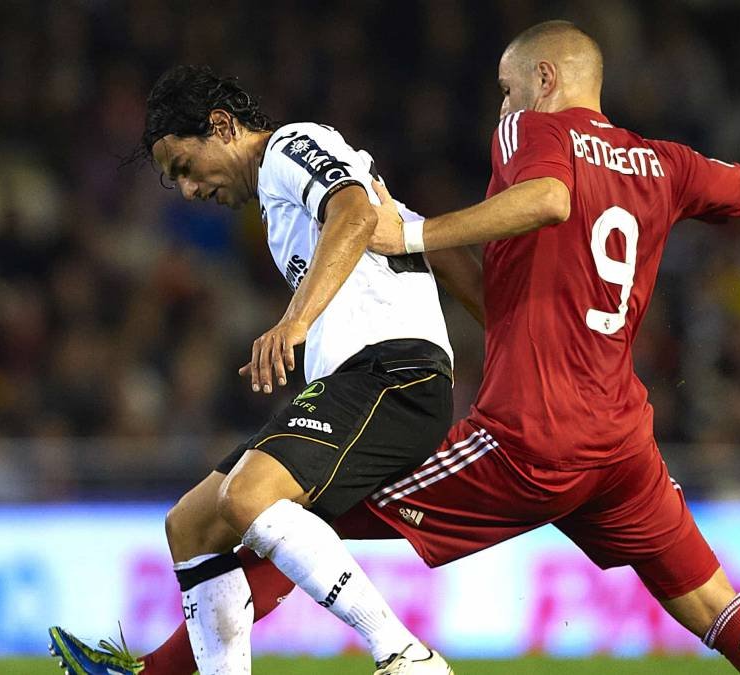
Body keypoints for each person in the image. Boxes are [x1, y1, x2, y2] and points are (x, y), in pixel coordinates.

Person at [55, 21, 740, 675]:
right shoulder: (663, 160)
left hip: (529, 437)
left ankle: (363, 661)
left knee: (282, 508)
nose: (501, 103)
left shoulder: (531, 134)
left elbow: (549, 200)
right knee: (718, 608)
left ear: (546, 79)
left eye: (507, 86)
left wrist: (416, 233)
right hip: (620, 439)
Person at [48, 65, 467, 675]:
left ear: (220, 126)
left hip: (396, 375)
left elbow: (353, 212)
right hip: (359, 382)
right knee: (191, 524)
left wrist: (294, 323)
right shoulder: (274, 205)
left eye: (185, 169)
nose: (189, 191)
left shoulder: (290, 146)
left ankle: (405, 655)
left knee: (245, 496)